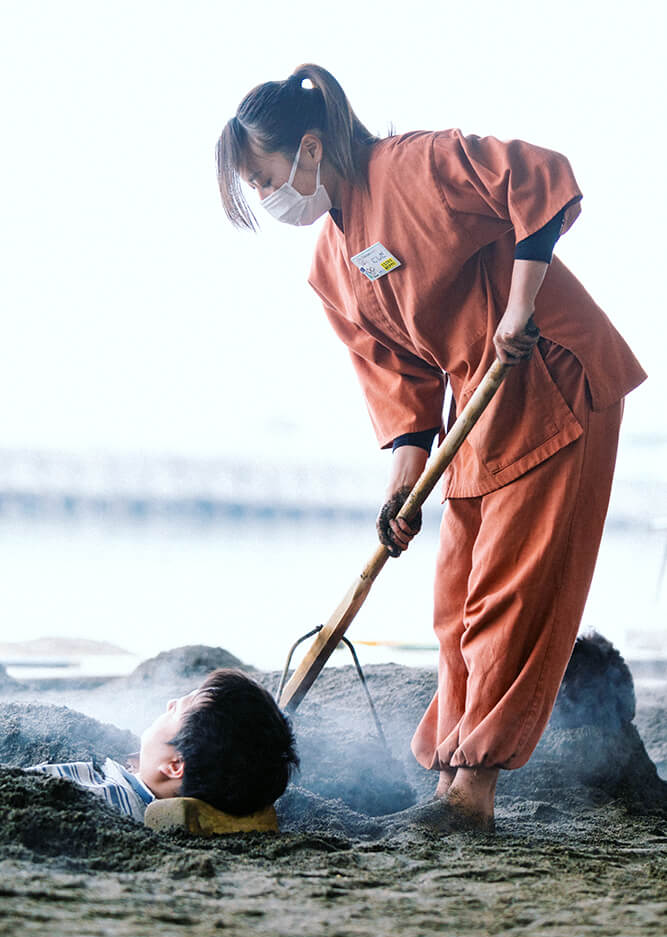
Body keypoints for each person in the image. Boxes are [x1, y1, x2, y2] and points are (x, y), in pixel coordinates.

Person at [216, 64, 646, 832]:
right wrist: (400, 491)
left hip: (548, 369)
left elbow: (538, 178)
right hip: (473, 411)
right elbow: (399, 382)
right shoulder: (329, 265)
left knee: (508, 591)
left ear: (309, 148)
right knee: (454, 603)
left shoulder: (416, 164)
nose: (265, 196)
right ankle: (448, 769)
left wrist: (520, 303)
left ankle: (471, 788)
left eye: (262, 177)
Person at [28, 668, 299, 822]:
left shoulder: (97, 796)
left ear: (175, 765)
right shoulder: (155, 782)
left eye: (175, 711)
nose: (170, 702)